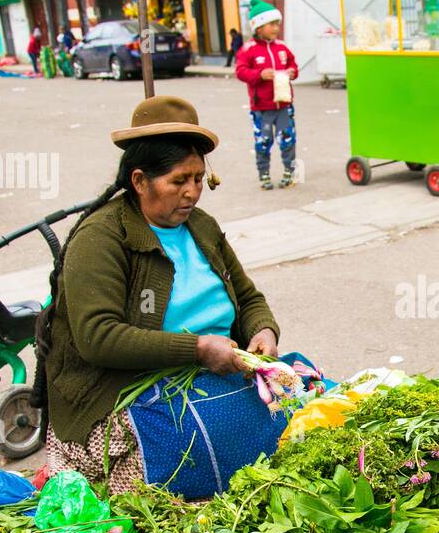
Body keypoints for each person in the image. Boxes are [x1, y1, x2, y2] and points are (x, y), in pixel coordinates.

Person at [35, 95, 288, 497]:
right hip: (124, 391)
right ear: (139, 181)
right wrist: (198, 349)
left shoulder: (201, 227)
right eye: (178, 181)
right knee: (196, 455)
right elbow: (98, 336)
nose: (192, 193)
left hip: (213, 373)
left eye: (198, 179)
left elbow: (248, 297)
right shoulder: (102, 238)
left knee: (299, 405)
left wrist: (263, 331)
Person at [234, 0, 299, 191]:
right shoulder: (248, 50)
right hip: (261, 108)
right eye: (271, 24)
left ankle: (289, 171)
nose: (275, 28)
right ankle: (264, 174)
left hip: (284, 105)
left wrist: (292, 72)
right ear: (258, 27)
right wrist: (260, 75)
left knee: (288, 139)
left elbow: (292, 64)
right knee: (263, 142)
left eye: (277, 24)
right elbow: (240, 71)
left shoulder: (282, 47)